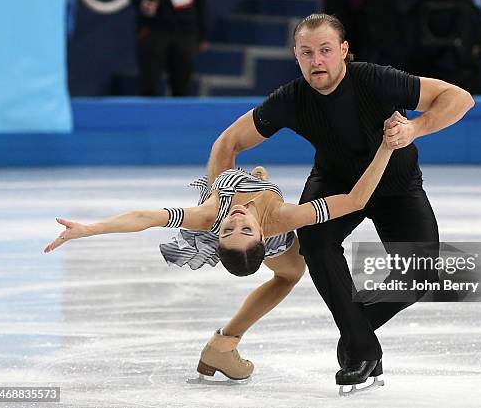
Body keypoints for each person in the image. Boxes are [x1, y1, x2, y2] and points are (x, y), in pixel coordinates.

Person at [205, 13, 474, 395]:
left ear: (343, 52)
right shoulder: (291, 99)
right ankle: (361, 349)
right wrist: (219, 199)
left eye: (326, 51)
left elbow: (459, 98)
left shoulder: (377, 80)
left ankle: (354, 333)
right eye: (307, 53)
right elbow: (227, 143)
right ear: (296, 56)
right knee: (314, 243)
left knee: (422, 272)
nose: (317, 61)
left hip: (396, 185)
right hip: (333, 185)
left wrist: (415, 128)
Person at [44, 139, 395, 384]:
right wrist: (386, 148)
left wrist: (88, 229)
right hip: (274, 234)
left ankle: (224, 344)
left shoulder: (213, 214)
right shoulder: (283, 220)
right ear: (260, 236)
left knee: (225, 151)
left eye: (231, 229)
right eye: (242, 228)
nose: (238, 217)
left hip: (241, 207)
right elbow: (354, 200)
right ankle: (225, 344)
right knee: (291, 275)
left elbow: (144, 217)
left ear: (219, 233)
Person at [132, 0, 209, 96]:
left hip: (185, 30)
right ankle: (147, 110)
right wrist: (141, 3)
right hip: (153, 29)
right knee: (149, 82)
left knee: (182, 83)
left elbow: (201, 4)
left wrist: (203, 35)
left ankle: (180, 110)